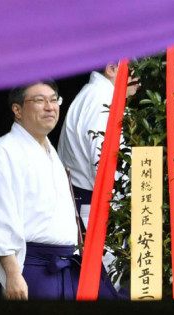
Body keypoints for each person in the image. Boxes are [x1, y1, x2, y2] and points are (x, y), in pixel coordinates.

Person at [0, 80, 120, 301]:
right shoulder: (2, 151)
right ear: (17, 110)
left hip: (67, 263)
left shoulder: (50, 152)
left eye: (53, 99)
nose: (50, 107)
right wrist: (12, 273)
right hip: (29, 268)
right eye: (39, 100)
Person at [57, 63, 139, 291]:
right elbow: (105, 164)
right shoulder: (101, 99)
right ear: (112, 68)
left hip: (92, 199)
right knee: (104, 283)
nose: (139, 79)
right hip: (97, 202)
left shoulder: (96, 94)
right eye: (135, 69)